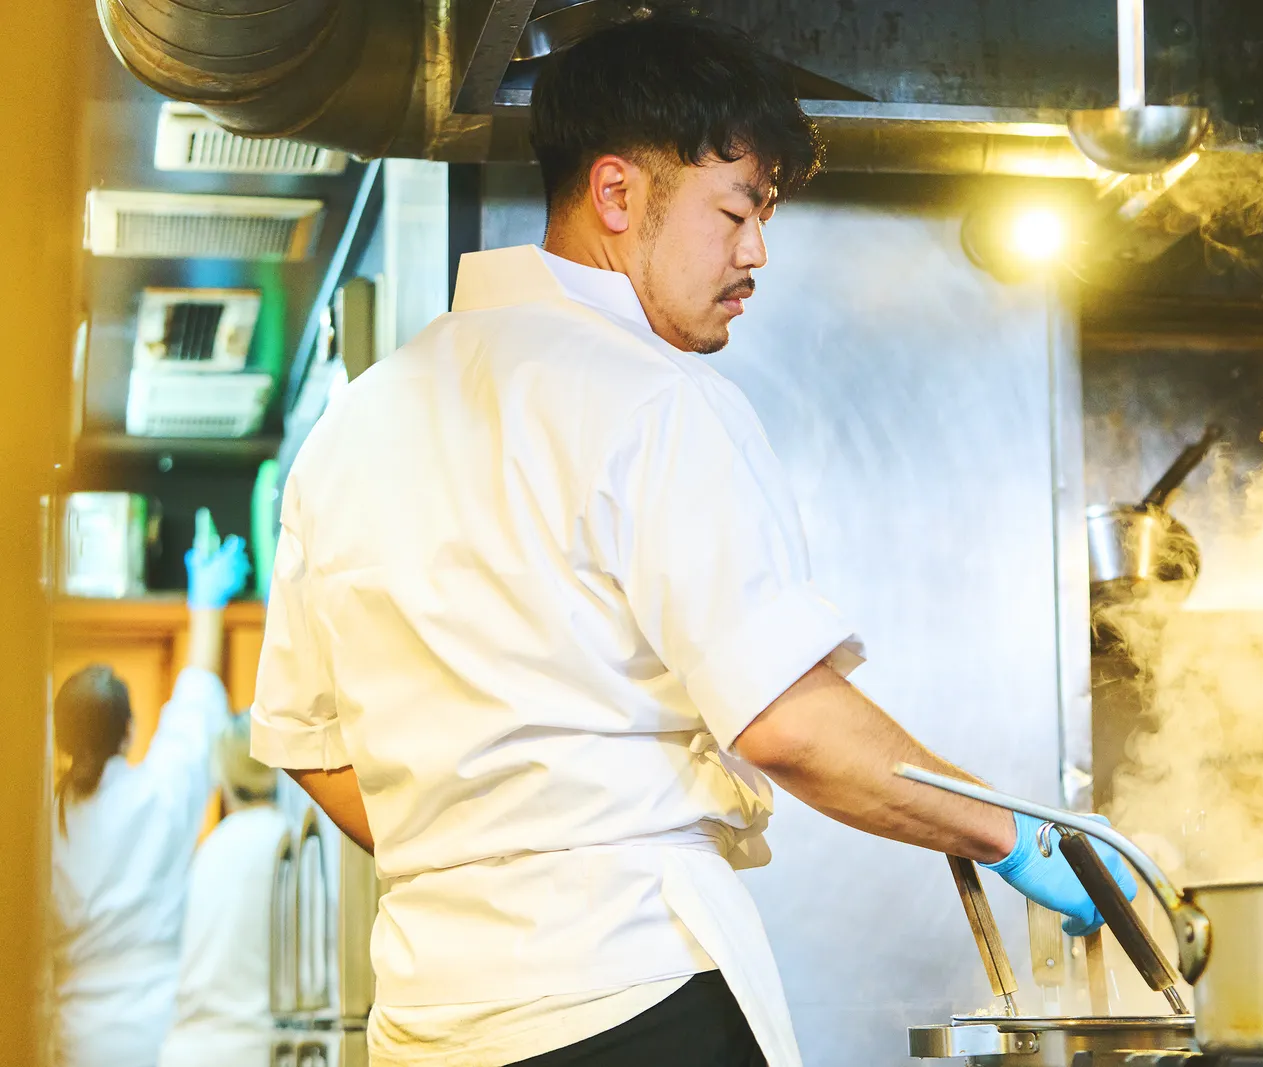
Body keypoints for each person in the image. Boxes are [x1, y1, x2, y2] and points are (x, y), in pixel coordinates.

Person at [249, 12, 1134, 1067]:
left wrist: (477, 855)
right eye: (736, 210)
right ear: (617, 193)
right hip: (631, 994)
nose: (755, 252)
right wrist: (1020, 834)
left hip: (424, 1024)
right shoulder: (651, 398)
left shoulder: (350, 426)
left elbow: (310, 746)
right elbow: (788, 724)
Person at [50, 534, 251, 1067]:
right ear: (128, 731)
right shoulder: (160, 793)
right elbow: (197, 699)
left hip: (73, 1038)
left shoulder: (38, 824)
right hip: (162, 1030)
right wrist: (206, 602)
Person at [158, 714, 290, 1067]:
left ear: (224, 779)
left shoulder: (209, 849)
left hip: (186, 1050)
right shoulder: (289, 845)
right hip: (254, 1050)